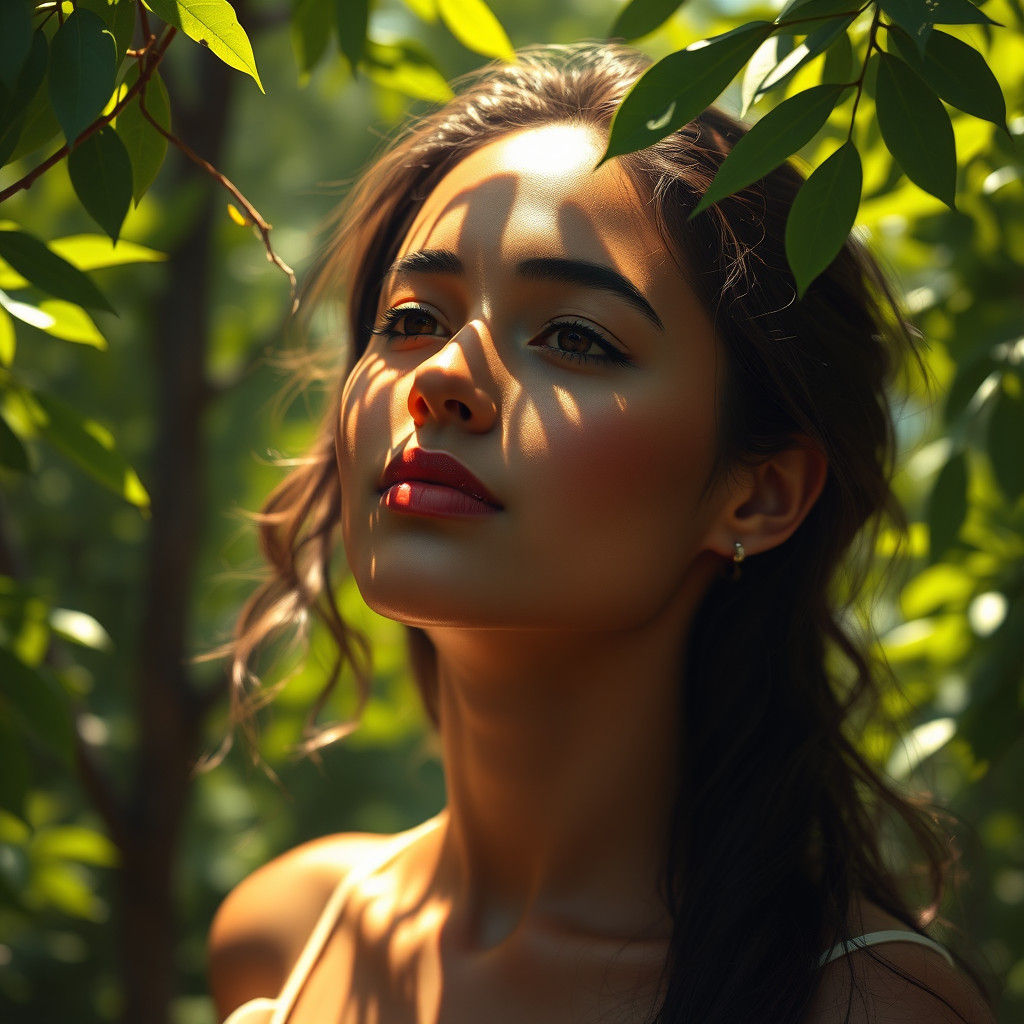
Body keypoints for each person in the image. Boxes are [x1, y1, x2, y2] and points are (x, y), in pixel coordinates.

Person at [206, 41, 995, 1024]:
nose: (442, 377)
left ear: (760, 494)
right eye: (411, 319)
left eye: (574, 337)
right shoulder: (282, 936)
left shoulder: (866, 1006)